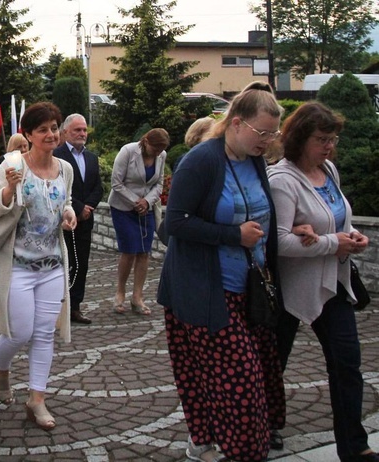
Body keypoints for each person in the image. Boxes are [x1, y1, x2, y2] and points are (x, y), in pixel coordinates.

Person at [157, 87, 286, 461]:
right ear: (236, 123)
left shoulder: (253, 159)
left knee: (252, 377)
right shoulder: (201, 161)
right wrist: (233, 235)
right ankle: (238, 450)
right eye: (262, 132)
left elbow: (264, 215)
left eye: (273, 133)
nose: (268, 140)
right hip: (206, 290)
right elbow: (176, 222)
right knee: (239, 384)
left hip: (250, 287)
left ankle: (205, 442)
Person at [268, 102, 376, 462]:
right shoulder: (282, 180)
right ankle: (265, 428)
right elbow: (279, 241)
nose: (330, 146)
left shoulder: (328, 169)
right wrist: (334, 244)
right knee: (273, 366)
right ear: (299, 138)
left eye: (333, 139)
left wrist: (352, 236)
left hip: (332, 286)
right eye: (322, 139)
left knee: (347, 364)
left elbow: (334, 219)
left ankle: (354, 446)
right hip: (288, 291)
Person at [0, 102, 77, 431]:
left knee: (44, 333)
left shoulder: (65, 169)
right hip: (17, 264)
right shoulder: (13, 163)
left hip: (51, 265)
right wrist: (7, 188)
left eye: (54, 127)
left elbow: (65, 200)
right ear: (28, 134)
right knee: (19, 331)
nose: (51, 134)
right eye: (43, 129)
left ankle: (37, 399)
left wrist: (68, 213)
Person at [108, 128, 169, 314]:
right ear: (146, 142)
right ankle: (120, 292)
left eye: (161, 150)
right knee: (129, 250)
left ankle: (138, 296)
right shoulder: (128, 151)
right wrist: (135, 201)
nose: (158, 153)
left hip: (146, 208)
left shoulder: (161, 155)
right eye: (155, 149)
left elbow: (159, 183)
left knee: (144, 251)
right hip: (123, 207)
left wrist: (147, 201)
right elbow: (116, 182)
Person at [54, 113, 103, 325]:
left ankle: (75, 306)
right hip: (63, 220)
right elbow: (59, 188)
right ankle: (57, 307)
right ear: (65, 132)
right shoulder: (56, 155)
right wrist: (79, 207)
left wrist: (88, 208)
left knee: (81, 264)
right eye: (77, 130)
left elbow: (98, 186)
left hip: (85, 221)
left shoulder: (91, 157)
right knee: (62, 264)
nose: (82, 134)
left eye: (84, 130)